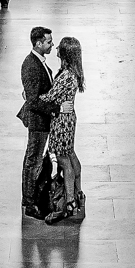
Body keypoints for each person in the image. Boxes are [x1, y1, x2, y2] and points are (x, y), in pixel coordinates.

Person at [41, 36, 86, 224]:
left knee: (63, 159)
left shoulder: (66, 75)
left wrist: (31, 96)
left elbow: (50, 97)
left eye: (60, 46)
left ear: (65, 53)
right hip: (69, 119)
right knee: (70, 154)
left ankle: (68, 203)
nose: (56, 47)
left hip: (61, 121)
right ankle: (78, 193)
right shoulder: (72, 72)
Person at [17, 27, 60, 220]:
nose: (52, 44)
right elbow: (33, 100)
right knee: (32, 160)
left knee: (33, 159)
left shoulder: (38, 62)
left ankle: (31, 197)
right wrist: (54, 107)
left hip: (42, 120)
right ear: (38, 43)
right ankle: (29, 202)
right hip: (38, 121)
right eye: (49, 42)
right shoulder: (31, 65)